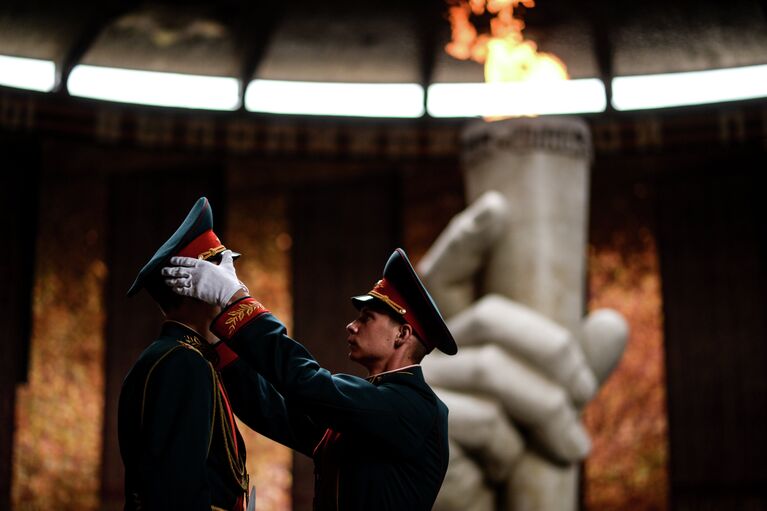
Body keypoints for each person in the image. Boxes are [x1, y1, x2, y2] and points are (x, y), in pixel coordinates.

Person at [161, 247, 458, 510]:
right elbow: (270, 411)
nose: (351, 326)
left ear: (402, 334)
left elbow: (307, 382)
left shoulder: (412, 407)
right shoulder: (371, 411)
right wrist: (219, 337)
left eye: (366, 317)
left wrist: (237, 300)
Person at [118, 197, 252, 511]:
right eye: (218, 274)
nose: (228, 282)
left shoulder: (174, 355)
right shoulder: (185, 363)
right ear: (192, 285)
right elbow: (179, 484)